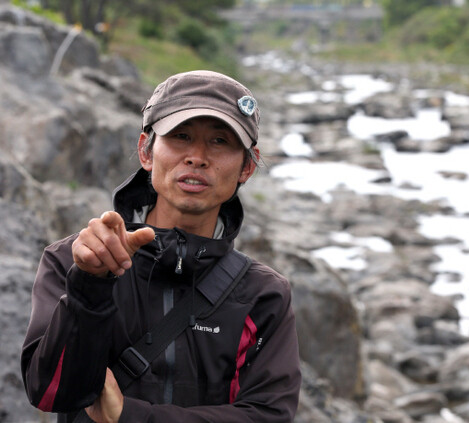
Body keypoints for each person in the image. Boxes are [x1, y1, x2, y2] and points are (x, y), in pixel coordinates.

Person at [21, 70, 301, 423]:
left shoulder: (263, 295)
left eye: (220, 141)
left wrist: (131, 416)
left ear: (247, 166)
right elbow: (49, 392)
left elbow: (270, 415)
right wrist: (90, 288)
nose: (197, 157)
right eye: (181, 136)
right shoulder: (76, 261)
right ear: (146, 151)